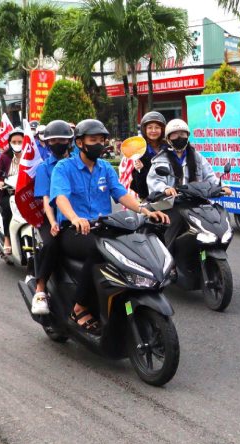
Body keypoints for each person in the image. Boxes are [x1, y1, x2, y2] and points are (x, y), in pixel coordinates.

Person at [50, 119, 169, 334]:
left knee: (133, 245)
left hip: (104, 227)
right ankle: (79, 307)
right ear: (79, 143)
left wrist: (145, 210)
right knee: (100, 251)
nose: (99, 144)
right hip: (74, 230)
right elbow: (60, 197)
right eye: (92, 140)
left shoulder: (105, 167)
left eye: (101, 140)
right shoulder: (64, 167)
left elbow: (121, 194)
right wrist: (75, 218)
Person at [146, 118, 231, 246]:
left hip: (195, 201)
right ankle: (169, 258)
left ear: (188, 136)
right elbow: (155, 180)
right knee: (172, 224)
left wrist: (222, 187)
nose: (179, 137)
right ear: (168, 138)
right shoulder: (161, 159)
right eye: (175, 134)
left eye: (182, 134)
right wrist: (165, 189)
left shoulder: (196, 157)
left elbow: (209, 176)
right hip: (172, 203)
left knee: (215, 220)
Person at [29, 120, 73, 315]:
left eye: (61, 140)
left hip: (78, 215)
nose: (58, 143)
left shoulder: (77, 162)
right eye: (53, 140)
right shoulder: (44, 168)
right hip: (52, 216)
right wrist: (53, 222)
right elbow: (47, 199)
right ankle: (40, 289)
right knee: (51, 243)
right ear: (46, 144)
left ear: (70, 141)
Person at [0, 128, 24, 254]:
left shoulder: (30, 156)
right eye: (14, 142)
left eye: (20, 141)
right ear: (9, 143)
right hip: (9, 193)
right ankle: (7, 239)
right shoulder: (4, 157)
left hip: (27, 194)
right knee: (8, 210)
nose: (17, 144)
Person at [131, 111, 167, 200]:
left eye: (157, 127)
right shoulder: (139, 150)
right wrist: (141, 170)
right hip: (148, 197)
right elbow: (140, 187)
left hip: (169, 195)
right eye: (150, 128)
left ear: (162, 129)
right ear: (144, 130)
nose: (153, 131)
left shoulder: (169, 148)